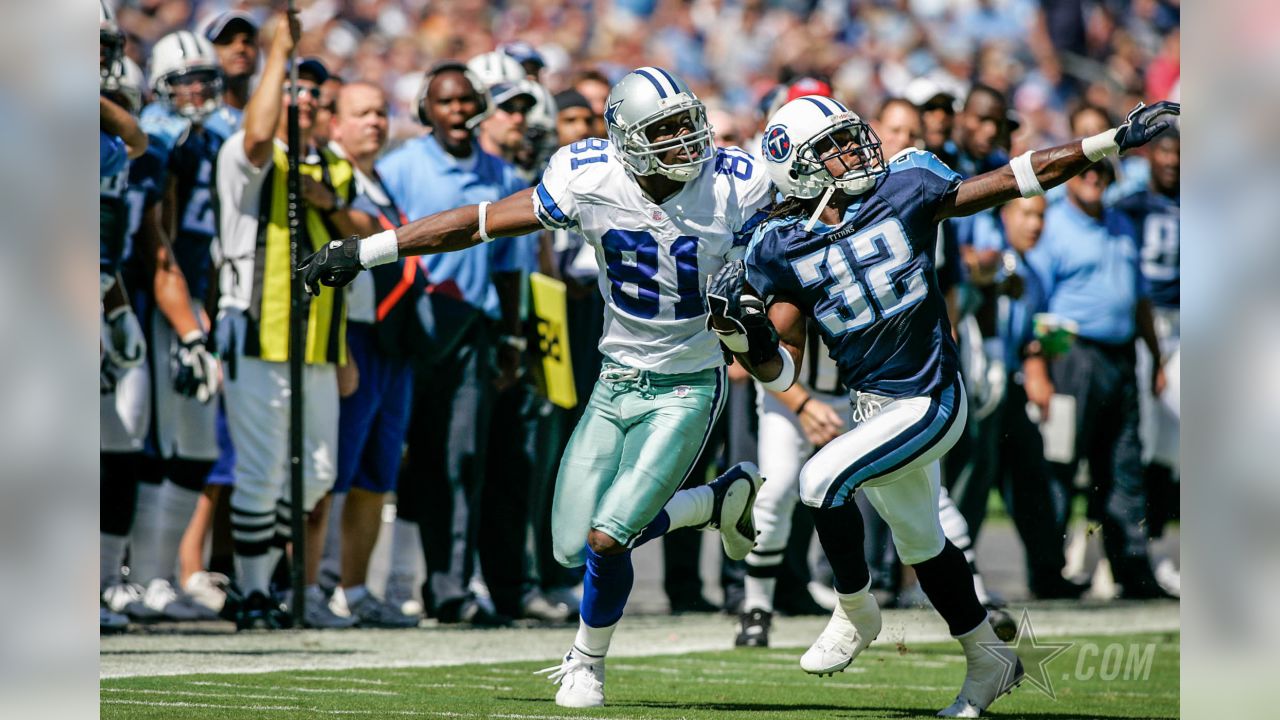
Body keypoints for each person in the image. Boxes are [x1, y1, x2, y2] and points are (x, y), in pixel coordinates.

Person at [298, 66, 772, 709]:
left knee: (609, 536)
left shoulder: (735, 182)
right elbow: (477, 223)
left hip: (690, 383)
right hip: (615, 379)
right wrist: (367, 250)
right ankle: (712, 505)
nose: (687, 142)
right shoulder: (588, 175)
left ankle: (586, 661)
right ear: (628, 141)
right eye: (666, 131)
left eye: (688, 124)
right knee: (572, 544)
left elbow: (813, 221)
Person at [710, 94, 1177, 716]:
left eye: (852, 136)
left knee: (820, 481)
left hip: (930, 397)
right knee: (923, 543)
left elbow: (1014, 178)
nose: (856, 150)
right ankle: (989, 659)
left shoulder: (905, 186)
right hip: (873, 407)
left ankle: (854, 612)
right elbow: (779, 365)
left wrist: (1106, 142)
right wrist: (746, 338)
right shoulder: (780, 245)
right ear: (798, 167)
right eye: (834, 147)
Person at [214, 11, 362, 630]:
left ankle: (267, 576)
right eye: (292, 89)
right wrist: (279, 48)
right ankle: (250, 590)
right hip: (258, 328)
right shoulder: (248, 152)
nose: (301, 101)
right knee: (261, 466)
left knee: (317, 472)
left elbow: (364, 243)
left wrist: (333, 205)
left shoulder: (335, 166)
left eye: (312, 93)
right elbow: (255, 140)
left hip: (320, 341)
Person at [373, 60, 530, 627]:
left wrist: (512, 333)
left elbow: (512, 263)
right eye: (446, 102)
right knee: (400, 459)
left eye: (467, 101)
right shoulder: (399, 167)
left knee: (463, 460)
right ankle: (383, 585)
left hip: (473, 337)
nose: (458, 111)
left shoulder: (501, 174)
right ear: (426, 110)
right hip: (408, 333)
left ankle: (450, 588)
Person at [1026, 153, 1174, 600]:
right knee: (1060, 464)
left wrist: (1156, 356)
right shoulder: (1054, 225)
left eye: (1102, 172)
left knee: (1124, 465)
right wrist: (1040, 368)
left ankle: (1132, 568)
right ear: (1071, 177)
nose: (1093, 177)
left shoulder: (1121, 224)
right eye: (1086, 171)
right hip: (1071, 354)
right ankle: (1049, 571)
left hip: (1121, 355)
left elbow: (1140, 298)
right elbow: (1037, 300)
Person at [122, 30, 228, 622]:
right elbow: (152, 236)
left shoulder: (216, 134)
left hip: (192, 296)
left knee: (193, 446)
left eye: (202, 78)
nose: (194, 91)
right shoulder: (158, 139)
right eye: (181, 80)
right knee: (145, 440)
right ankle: (138, 575)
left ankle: (155, 576)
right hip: (148, 297)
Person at [317, 82, 421, 627]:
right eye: (362, 113)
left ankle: (354, 590)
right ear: (334, 124)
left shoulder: (377, 178)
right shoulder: (330, 173)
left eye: (381, 111)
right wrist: (337, 347)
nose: (375, 122)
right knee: (336, 471)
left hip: (389, 342)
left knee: (376, 477)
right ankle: (322, 582)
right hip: (351, 333)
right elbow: (368, 237)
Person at [1115, 130, 1180, 596]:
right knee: (1141, 434)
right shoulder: (1131, 204)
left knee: (1172, 439)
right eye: (1165, 152)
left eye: (1179, 154)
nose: (1173, 162)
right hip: (1143, 320)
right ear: (1149, 157)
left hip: (1185, 324)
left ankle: (1152, 538)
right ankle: (1121, 542)